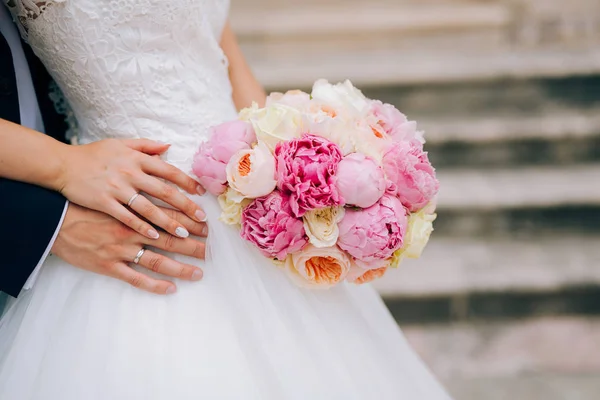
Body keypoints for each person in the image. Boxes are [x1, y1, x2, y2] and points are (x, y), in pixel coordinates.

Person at [0, 2, 452, 399]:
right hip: (146, 200)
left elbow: (224, 61)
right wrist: (64, 165)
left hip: (246, 193)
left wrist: (294, 167)